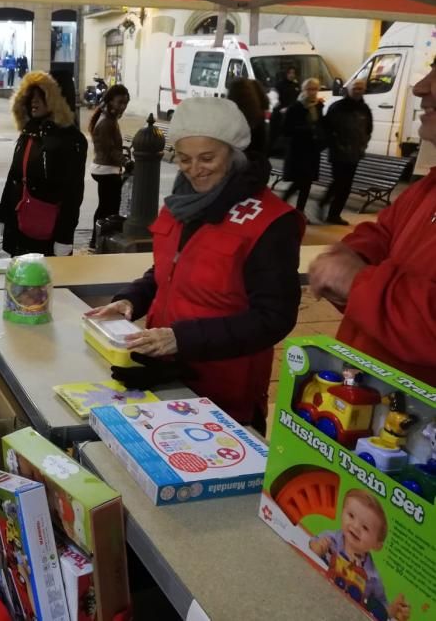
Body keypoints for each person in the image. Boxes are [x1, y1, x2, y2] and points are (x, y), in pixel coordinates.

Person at [86, 97, 303, 430]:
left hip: (225, 390)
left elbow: (274, 318)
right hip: (165, 374)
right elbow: (167, 272)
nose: (194, 169)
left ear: (234, 153)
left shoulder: (270, 221)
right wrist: (131, 299)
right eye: (184, 159)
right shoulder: (181, 204)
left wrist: (182, 338)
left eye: (207, 158)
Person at [309, 60, 436, 386]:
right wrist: (352, 257)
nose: (420, 87)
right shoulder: (428, 188)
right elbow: (384, 232)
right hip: (368, 404)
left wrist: (357, 281)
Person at [0, 71, 87, 257]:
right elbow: (13, 178)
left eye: (41, 97)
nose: (34, 102)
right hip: (19, 225)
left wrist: (64, 237)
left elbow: (73, 193)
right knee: (19, 281)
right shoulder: (29, 133)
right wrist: (3, 214)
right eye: (32, 97)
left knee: (47, 282)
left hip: (48, 232)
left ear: (56, 100)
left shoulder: (71, 140)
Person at [309, 490, 410, 621]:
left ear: (377, 545)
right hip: (321, 591)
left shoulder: (373, 576)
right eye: (351, 515)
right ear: (342, 511)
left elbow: (381, 601)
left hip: (349, 611)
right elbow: (310, 544)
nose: (355, 526)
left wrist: (389, 611)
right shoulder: (330, 539)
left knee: (376, 607)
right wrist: (317, 548)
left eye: (365, 528)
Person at [320, 79, 373, 225]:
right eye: (355, 88)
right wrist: (335, 144)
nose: (358, 91)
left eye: (361, 88)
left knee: (344, 185)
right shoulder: (338, 107)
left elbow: (368, 129)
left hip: (355, 153)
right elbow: (327, 128)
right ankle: (331, 211)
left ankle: (332, 212)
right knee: (341, 184)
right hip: (338, 152)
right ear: (348, 89)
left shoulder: (364, 108)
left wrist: (363, 144)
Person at [87, 84, 130, 249]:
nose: (123, 106)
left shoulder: (108, 118)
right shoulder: (107, 122)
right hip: (106, 170)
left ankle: (97, 239)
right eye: (120, 102)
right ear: (110, 101)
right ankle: (98, 240)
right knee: (108, 208)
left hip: (104, 168)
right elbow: (109, 149)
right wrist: (126, 162)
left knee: (105, 206)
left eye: (125, 103)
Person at [281, 78, 325, 215]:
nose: (312, 92)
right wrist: (307, 129)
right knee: (300, 182)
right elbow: (286, 129)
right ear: (303, 90)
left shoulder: (318, 106)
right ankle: (283, 205)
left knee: (306, 183)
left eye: (315, 89)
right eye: (309, 89)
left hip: (312, 151)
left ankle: (299, 211)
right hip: (298, 151)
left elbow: (320, 125)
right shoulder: (295, 107)